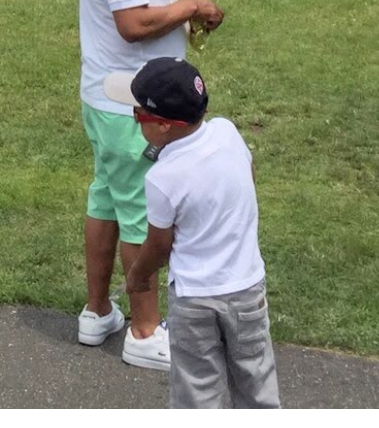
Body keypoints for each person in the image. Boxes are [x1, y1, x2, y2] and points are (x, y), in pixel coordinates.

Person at [75, 0, 223, 371]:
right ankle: (143, 331)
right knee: (141, 214)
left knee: (107, 200)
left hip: (109, 93)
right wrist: (192, 7)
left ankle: (97, 311)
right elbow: (133, 24)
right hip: (130, 104)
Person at [106, 58, 278, 409]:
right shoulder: (227, 131)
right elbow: (248, 175)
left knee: (197, 391)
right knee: (256, 382)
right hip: (247, 290)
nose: (135, 120)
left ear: (163, 125)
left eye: (138, 115)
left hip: (193, 299)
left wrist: (137, 276)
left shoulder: (162, 178)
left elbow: (159, 245)